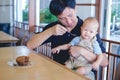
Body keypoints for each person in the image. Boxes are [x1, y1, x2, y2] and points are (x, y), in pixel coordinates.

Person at [27, 0, 108, 67]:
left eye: (70, 15)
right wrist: (50, 31)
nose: (68, 21)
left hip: (83, 74)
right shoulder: (53, 27)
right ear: (56, 17)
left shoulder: (88, 29)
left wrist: (82, 51)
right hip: (59, 72)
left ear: (75, 9)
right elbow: (29, 45)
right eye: (62, 18)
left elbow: (105, 62)